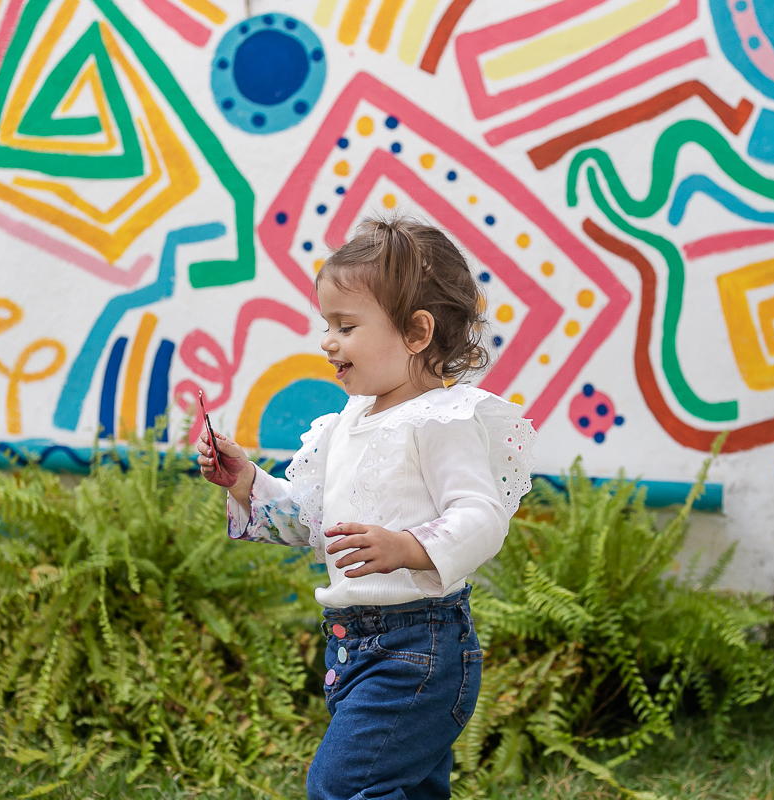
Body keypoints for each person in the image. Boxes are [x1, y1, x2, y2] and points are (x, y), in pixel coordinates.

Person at [197, 217, 537, 800]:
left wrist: (409, 547)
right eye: (326, 325)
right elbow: (310, 520)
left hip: (418, 649)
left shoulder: (442, 421)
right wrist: (247, 482)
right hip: (354, 648)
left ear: (416, 332)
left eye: (346, 326)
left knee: (342, 785)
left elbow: (482, 516)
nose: (327, 341)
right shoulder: (348, 423)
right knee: (403, 788)